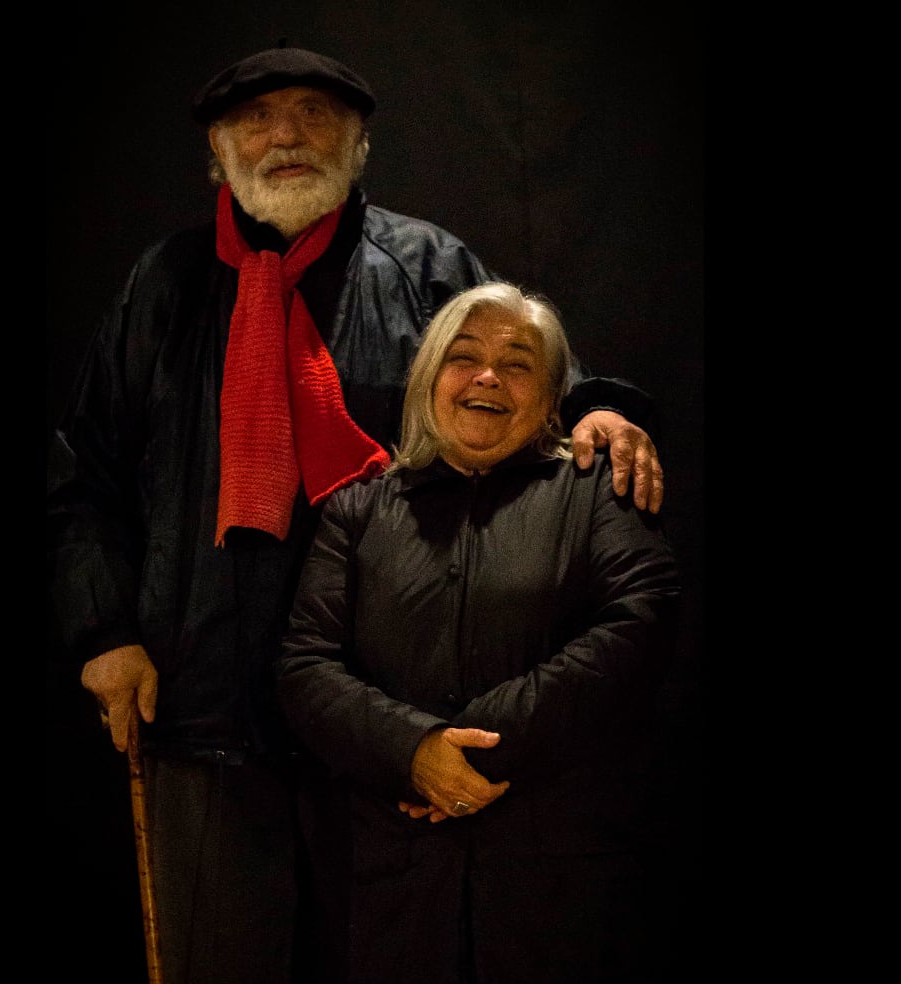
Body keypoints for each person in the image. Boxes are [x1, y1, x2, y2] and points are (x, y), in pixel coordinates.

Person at [47, 46, 667, 984]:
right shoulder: (163, 285)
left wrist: (599, 413)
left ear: (360, 142)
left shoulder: (424, 264)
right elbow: (82, 470)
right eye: (257, 118)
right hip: (203, 706)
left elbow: (518, 380)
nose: (286, 135)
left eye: (313, 113)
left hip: (387, 725)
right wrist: (103, 629)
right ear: (218, 148)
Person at [275, 281, 681, 984]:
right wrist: (413, 750)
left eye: (518, 362)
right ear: (428, 378)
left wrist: (471, 753)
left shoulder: (596, 493)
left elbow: (640, 617)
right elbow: (305, 666)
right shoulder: (357, 511)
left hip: (561, 884)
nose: (488, 376)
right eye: (463, 357)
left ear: (553, 396)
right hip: (393, 887)